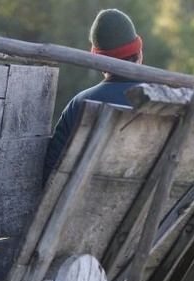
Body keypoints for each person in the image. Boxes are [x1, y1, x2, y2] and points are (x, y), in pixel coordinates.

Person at [43, 8, 144, 183]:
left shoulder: (78, 104)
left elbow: (50, 173)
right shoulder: (167, 102)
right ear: (139, 55)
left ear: (99, 63)